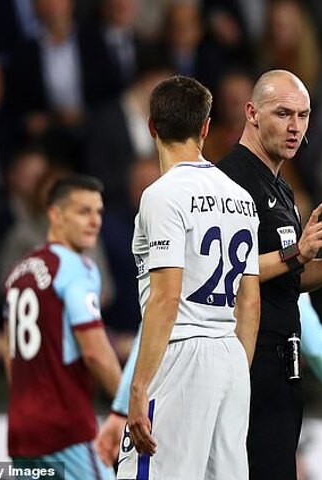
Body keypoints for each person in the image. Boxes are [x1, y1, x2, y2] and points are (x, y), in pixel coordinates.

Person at [217, 69, 322, 480]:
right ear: (251, 113)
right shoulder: (229, 182)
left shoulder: (281, 187)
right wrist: (294, 253)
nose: (295, 127)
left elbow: (288, 280)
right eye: (283, 114)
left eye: (303, 115)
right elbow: (227, 273)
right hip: (246, 366)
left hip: (282, 369)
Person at [114, 76, 261, 480]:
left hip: (180, 352)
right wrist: (235, 371)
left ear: (151, 127)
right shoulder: (241, 198)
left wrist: (138, 387)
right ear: (205, 128)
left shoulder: (162, 195)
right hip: (231, 355)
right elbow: (250, 301)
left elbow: (166, 298)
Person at [96, 292, 322, 465]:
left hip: (189, 394)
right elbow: (314, 342)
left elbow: (155, 322)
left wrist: (121, 409)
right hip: (250, 398)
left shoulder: (191, 253)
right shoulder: (278, 253)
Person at [3, 175, 120, 479]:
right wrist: (128, 406)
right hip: (66, 430)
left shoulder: (19, 272)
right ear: (55, 214)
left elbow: (10, 355)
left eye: (98, 212)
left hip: (22, 430)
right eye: (83, 212)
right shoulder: (77, 269)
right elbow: (95, 352)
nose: (94, 221)